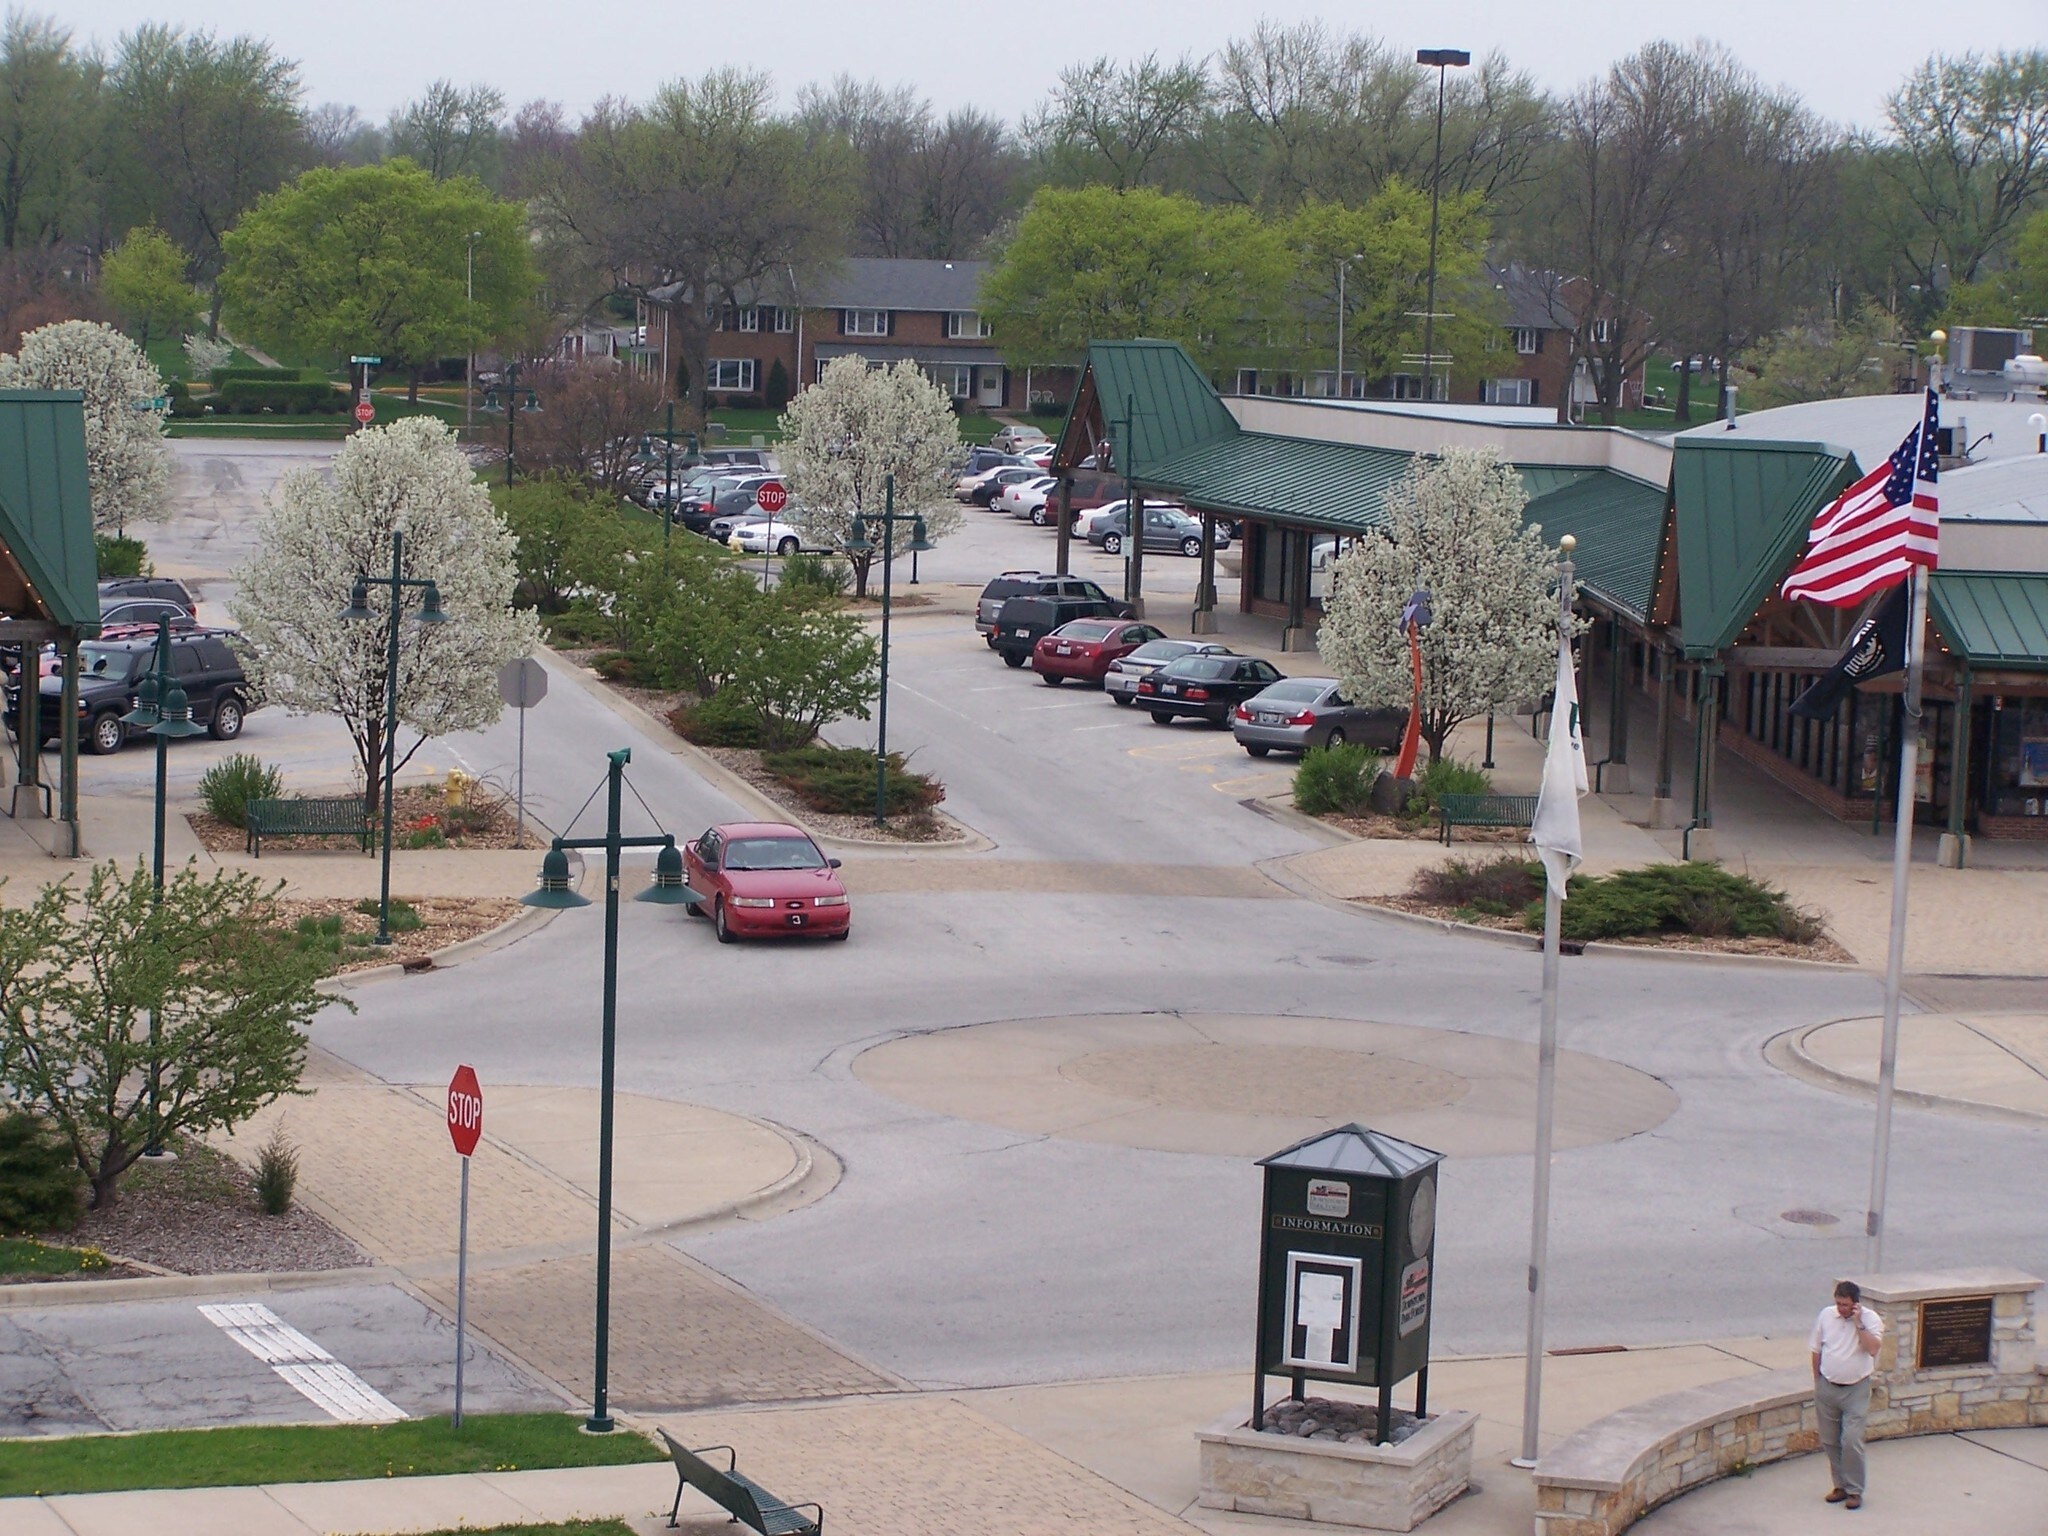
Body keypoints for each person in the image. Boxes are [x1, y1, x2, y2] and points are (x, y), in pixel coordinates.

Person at [1810, 1279, 1883, 1509]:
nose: (1841, 1309)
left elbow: (1872, 1349)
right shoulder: (1826, 1316)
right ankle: (1840, 1485)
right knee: (1831, 1440)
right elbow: (1816, 1349)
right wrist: (1818, 1381)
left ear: (1855, 1304)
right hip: (1828, 1387)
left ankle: (1855, 1490)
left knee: (1851, 1440)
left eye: (1845, 1305)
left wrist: (1857, 1322)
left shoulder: (1869, 1319)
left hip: (1856, 1389)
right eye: (1838, 1303)